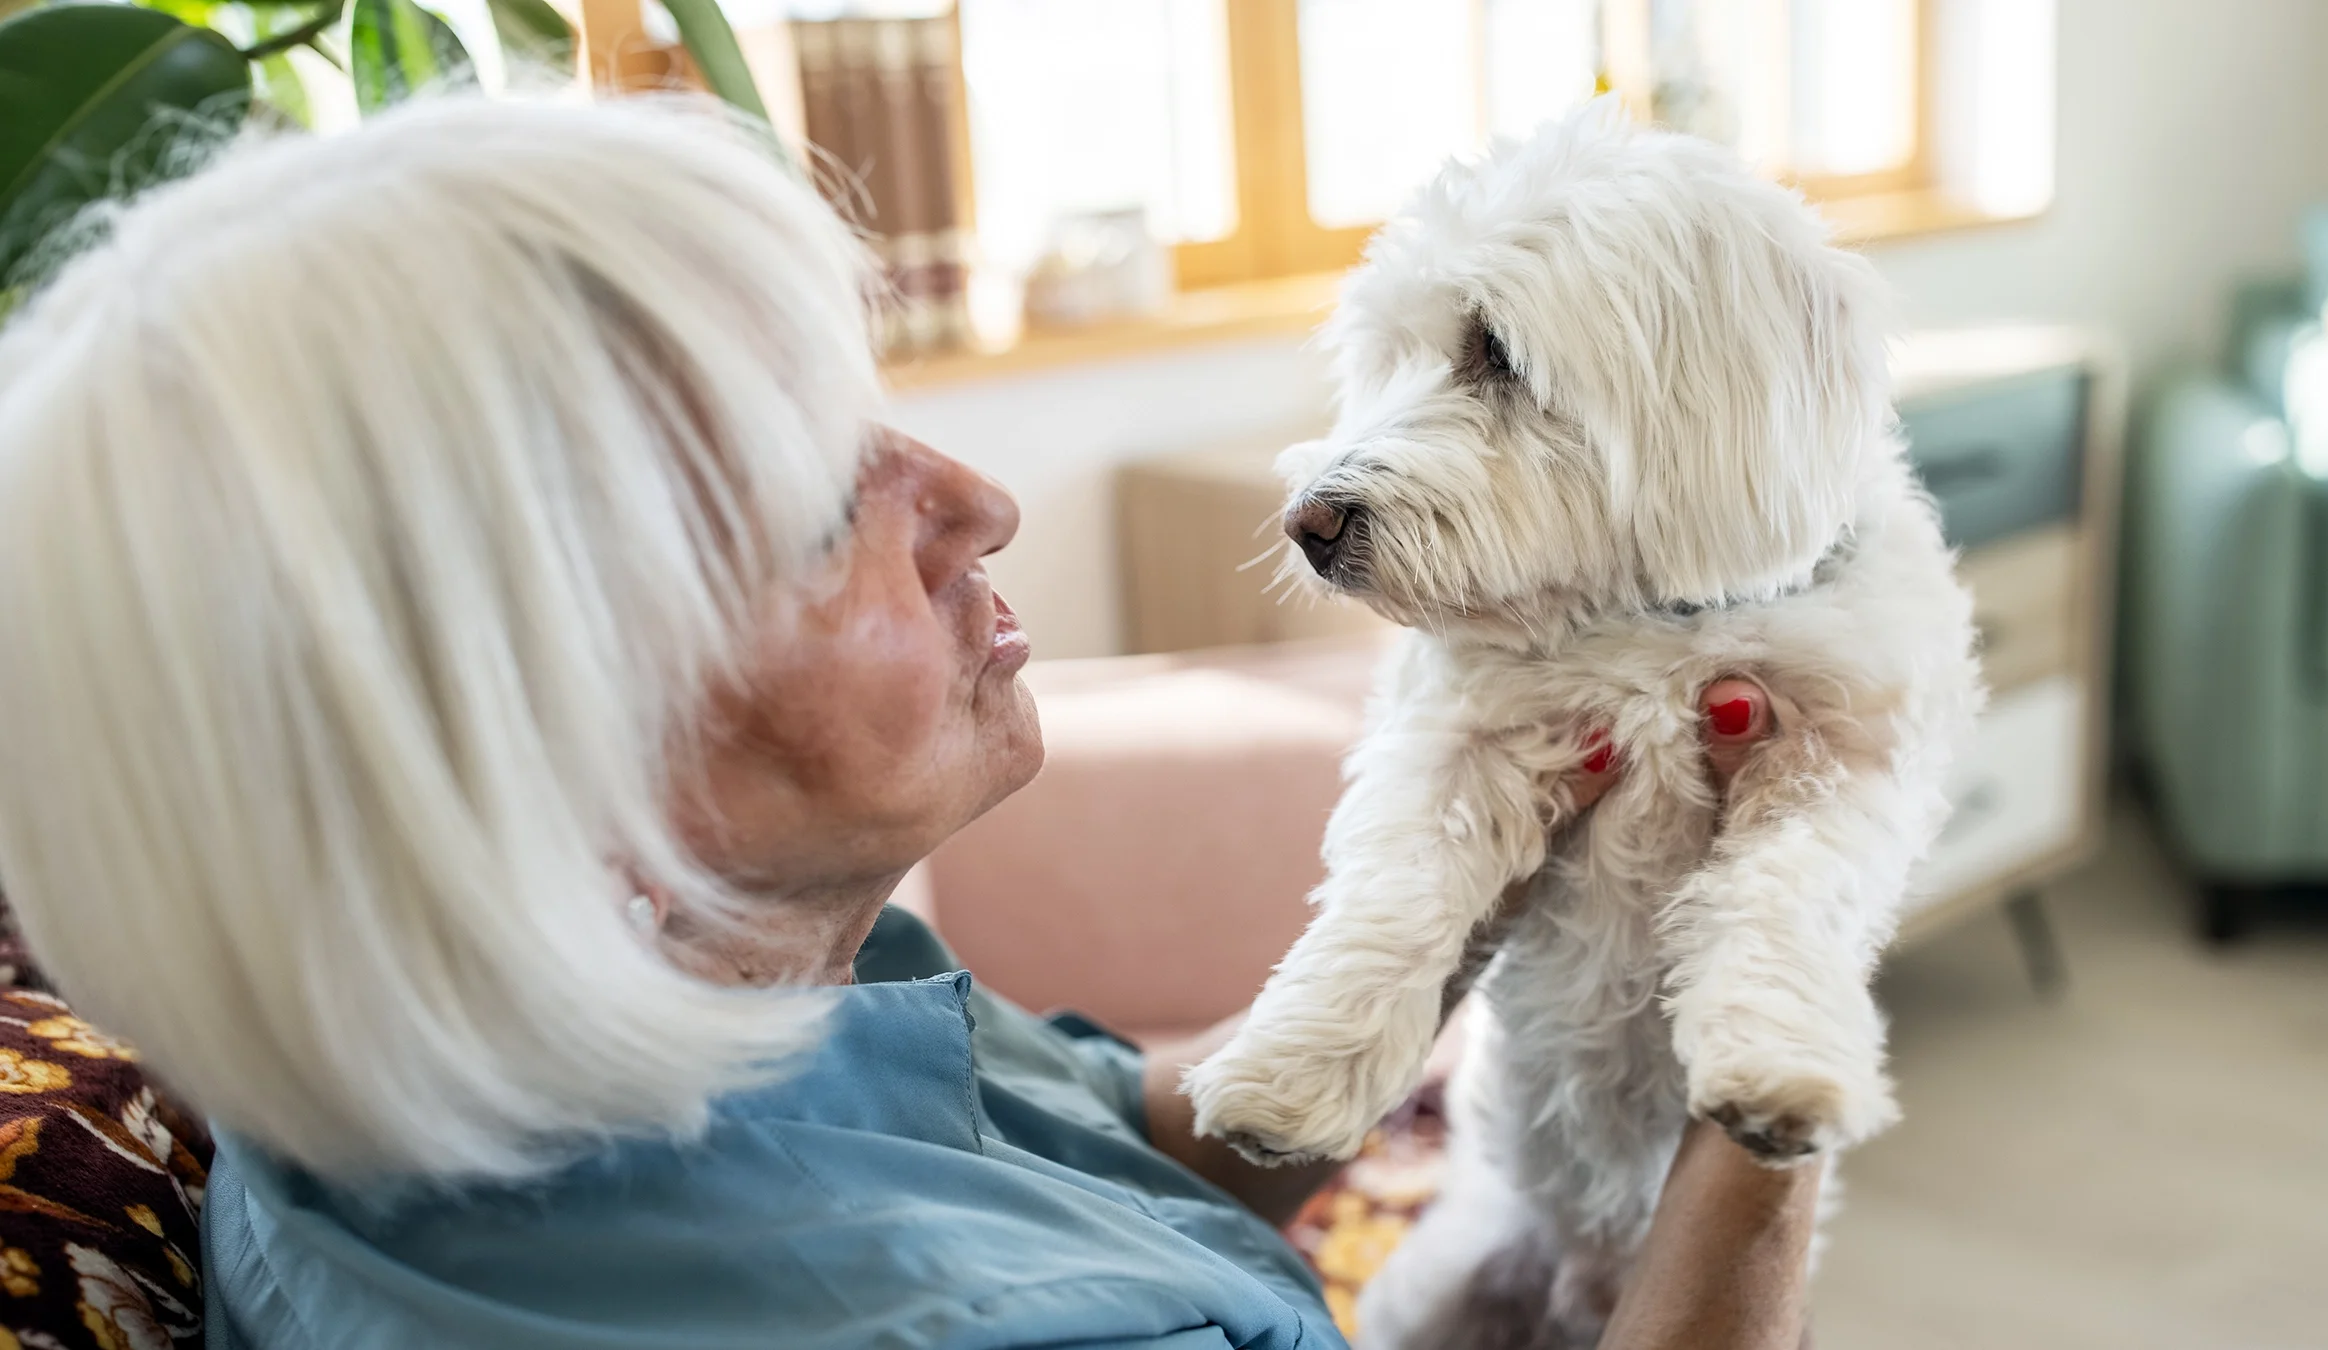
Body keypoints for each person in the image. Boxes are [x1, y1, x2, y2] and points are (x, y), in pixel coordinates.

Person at [0, 97, 1815, 1349]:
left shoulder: (676, 1005)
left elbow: (1117, 1126)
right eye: (816, 497)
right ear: (545, 803)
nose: (974, 498)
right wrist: (1774, 1037)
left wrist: (1462, 907)